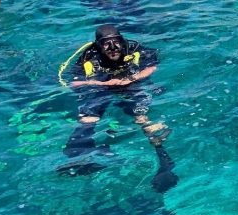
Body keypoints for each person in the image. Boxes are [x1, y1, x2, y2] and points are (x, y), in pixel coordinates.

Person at [58, 24, 177, 193]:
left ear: (121, 41)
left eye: (116, 43)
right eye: (107, 45)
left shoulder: (133, 48)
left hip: (130, 81)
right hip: (101, 85)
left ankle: (164, 161)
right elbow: (74, 82)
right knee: (88, 117)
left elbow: (152, 64)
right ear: (99, 45)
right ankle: (79, 157)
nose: (113, 49)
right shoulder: (89, 56)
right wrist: (103, 83)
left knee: (141, 117)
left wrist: (133, 78)